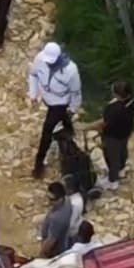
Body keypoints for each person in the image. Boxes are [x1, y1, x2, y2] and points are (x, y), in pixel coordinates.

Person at [29, 41, 83, 178]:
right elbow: (33, 75)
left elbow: (76, 92)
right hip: (47, 99)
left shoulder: (71, 70)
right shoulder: (40, 58)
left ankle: (39, 164)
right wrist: (33, 94)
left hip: (60, 104)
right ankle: (65, 136)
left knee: (47, 131)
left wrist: (73, 109)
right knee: (61, 127)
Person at [84, 80, 134, 190]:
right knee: (122, 151)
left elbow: (103, 123)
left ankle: (113, 181)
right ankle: (121, 169)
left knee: (112, 158)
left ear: (117, 95)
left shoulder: (113, 109)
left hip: (112, 136)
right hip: (125, 131)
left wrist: (86, 126)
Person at [39, 183, 72, 259]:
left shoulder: (57, 219)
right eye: (48, 197)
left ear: (60, 199)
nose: (49, 201)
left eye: (52, 199)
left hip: (55, 248)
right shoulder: (67, 199)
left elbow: (51, 241)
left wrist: (42, 254)